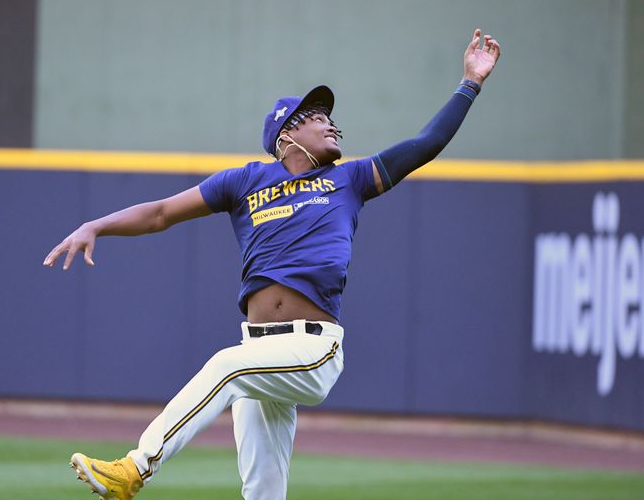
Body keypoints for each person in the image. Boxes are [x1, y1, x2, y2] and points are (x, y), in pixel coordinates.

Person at [44, 28, 501, 500]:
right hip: (259, 350)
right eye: (316, 117)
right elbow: (161, 212)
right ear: (287, 136)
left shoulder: (350, 179)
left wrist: (470, 82)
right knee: (263, 491)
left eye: (329, 117)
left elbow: (427, 142)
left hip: (311, 349)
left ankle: (134, 468)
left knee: (226, 367)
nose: (330, 123)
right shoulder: (246, 181)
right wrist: (96, 224)